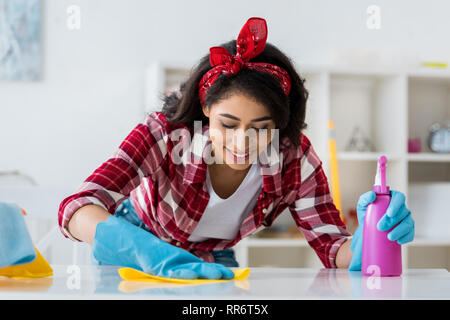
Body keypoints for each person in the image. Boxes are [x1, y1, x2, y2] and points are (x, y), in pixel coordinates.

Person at [57, 17, 414, 279]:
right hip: (133, 248)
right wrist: (143, 250)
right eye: (228, 124)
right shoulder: (164, 136)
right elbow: (77, 207)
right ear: (206, 108)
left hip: (214, 257)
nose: (242, 143)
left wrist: (373, 234)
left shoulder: (295, 158)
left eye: (261, 128)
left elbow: (333, 247)